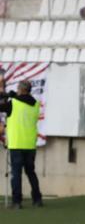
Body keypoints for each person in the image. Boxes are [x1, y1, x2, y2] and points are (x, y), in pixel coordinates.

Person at [0, 80, 42, 209]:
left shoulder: (14, 103)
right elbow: (24, 101)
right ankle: (37, 199)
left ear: (22, 90)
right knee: (31, 172)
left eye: (18, 88)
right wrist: (11, 96)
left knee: (16, 174)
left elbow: (3, 107)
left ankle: (17, 201)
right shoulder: (35, 104)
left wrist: (6, 96)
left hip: (17, 143)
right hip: (30, 145)